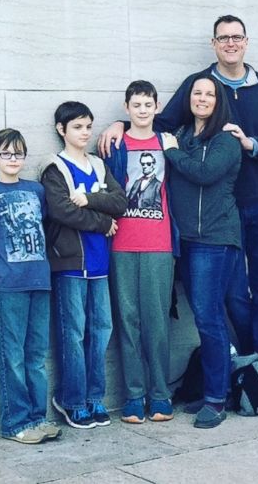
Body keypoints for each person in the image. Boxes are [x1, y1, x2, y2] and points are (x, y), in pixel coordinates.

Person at [99, 14, 258, 412]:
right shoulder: (197, 84)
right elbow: (162, 122)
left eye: (236, 37)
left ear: (246, 41)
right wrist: (123, 123)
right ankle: (246, 375)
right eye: (223, 38)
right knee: (235, 299)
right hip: (221, 212)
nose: (230, 43)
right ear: (213, 43)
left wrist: (250, 143)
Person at [41, 102, 128, 429]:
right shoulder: (54, 168)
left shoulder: (98, 165)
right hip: (70, 264)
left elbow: (120, 202)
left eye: (88, 127)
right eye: (77, 127)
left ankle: (95, 399)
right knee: (73, 333)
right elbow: (61, 210)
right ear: (62, 130)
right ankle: (71, 400)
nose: (85, 133)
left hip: (100, 264)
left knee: (101, 330)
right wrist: (102, 224)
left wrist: (90, 199)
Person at [0, 128, 62, 444]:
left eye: (19, 154)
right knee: (13, 354)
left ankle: (37, 419)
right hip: (10, 285)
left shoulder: (36, 191)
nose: (13, 159)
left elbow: (49, 228)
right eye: (7, 153)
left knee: (36, 355)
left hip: (40, 281)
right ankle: (15, 423)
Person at [162, 74, 242, 428]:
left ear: (218, 100)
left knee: (209, 317)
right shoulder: (180, 134)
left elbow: (205, 173)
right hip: (187, 241)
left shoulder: (225, 139)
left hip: (215, 238)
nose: (203, 98)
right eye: (197, 92)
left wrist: (172, 153)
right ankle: (211, 389)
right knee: (202, 316)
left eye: (210, 94)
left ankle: (216, 399)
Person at [103, 80, 177, 424]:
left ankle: (160, 395)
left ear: (157, 108)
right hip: (121, 244)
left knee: (157, 323)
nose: (143, 110)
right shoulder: (116, 144)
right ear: (126, 107)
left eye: (149, 104)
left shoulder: (168, 143)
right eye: (137, 104)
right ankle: (134, 396)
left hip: (159, 245)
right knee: (127, 322)